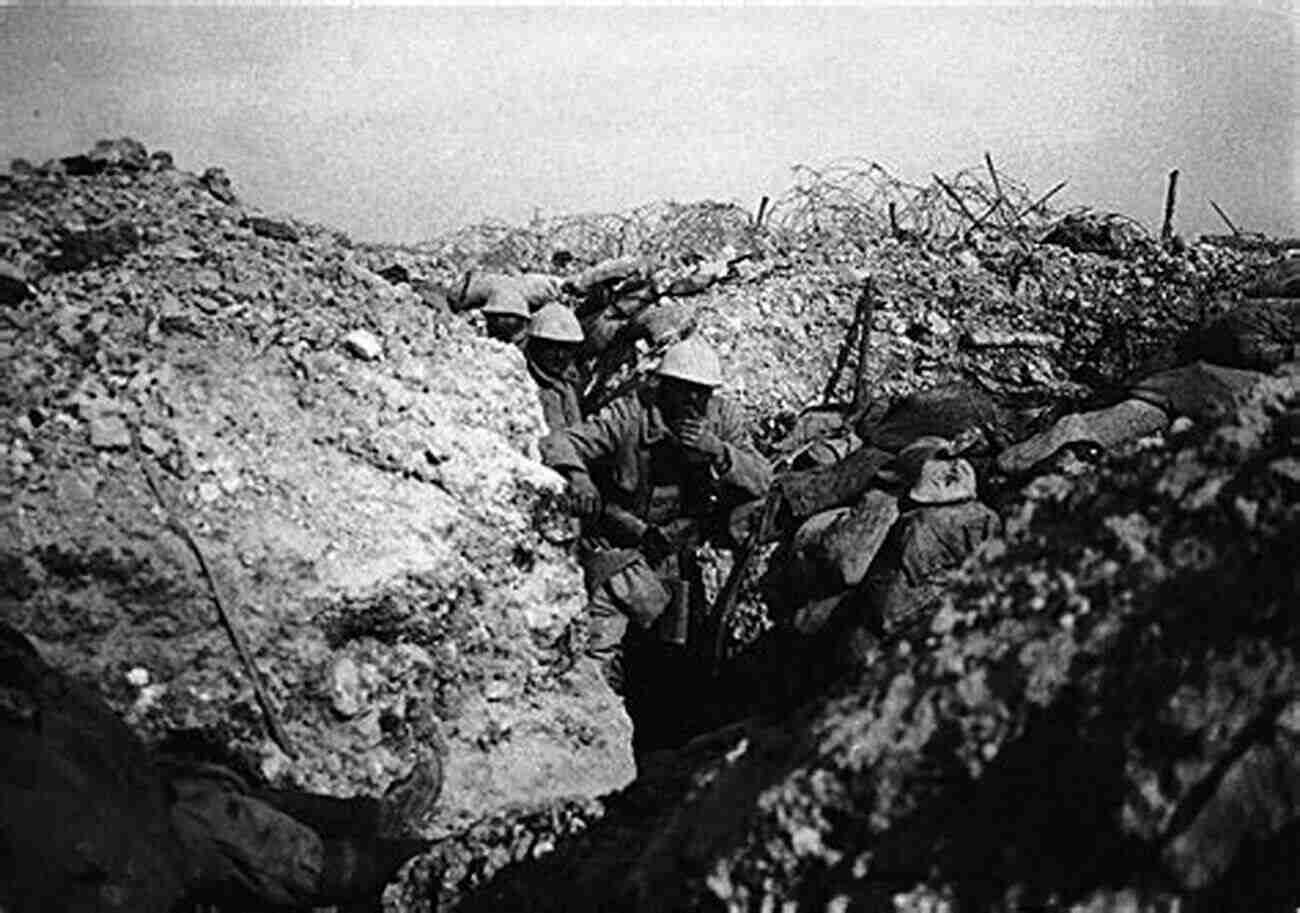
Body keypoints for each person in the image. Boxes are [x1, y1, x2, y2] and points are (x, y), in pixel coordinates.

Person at [0, 622, 439, 913]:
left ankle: (370, 820)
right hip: (125, 861)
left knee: (213, 785)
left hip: (122, 785)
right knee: (258, 844)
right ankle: (423, 869)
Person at [539, 338, 771, 698]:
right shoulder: (629, 414)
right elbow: (560, 443)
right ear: (664, 388)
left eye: (702, 394)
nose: (694, 404)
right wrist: (579, 476)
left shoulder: (722, 419)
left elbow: (762, 479)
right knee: (600, 646)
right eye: (685, 393)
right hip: (622, 548)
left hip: (680, 553)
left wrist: (718, 452)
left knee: (678, 657)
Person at [998, 295, 1299, 474]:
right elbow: (1239, 332)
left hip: (1209, 412)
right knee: (1090, 429)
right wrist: (1289, 354)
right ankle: (1005, 466)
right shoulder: (1270, 314)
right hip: (1176, 393)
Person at [526, 303, 586, 432]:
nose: (560, 355)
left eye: (567, 348)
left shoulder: (568, 383)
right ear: (535, 344)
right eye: (551, 347)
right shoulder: (524, 385)